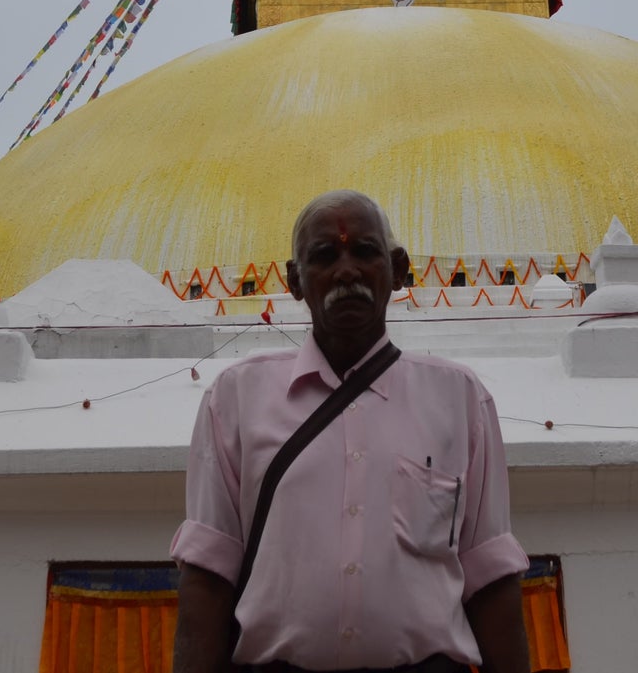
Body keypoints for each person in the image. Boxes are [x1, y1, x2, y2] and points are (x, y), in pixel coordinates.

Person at [170, 190, 531, 673]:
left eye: (364, 251)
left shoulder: (459, 399)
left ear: (398, 269)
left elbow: (490, 576)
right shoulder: (236, 399)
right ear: (295, 281)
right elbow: (208, 577)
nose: (346, 271)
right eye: (324, 256)